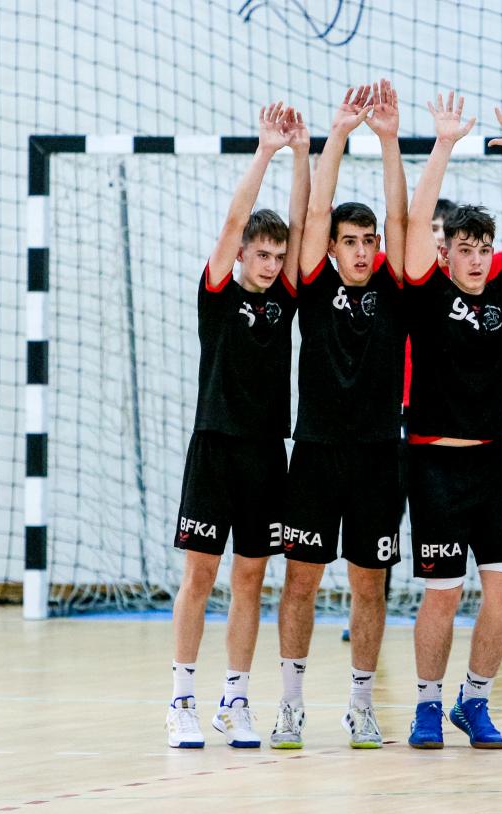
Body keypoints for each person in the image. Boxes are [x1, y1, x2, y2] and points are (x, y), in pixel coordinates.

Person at [401, 93, 502, 750]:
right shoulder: (426, 294)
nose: (479, 258)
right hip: (433, 461)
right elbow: (413, 220)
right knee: (442, 594)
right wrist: (443, 144)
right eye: (467, 249)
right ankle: (427, 705)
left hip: (493, 462)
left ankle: (475, 698)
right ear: (448, 254)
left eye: (485, 248)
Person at [166, 102, 310, 750]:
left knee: (251, 577)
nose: (271, 263)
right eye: (262, 253)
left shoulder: (285, 298)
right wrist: (266, 151)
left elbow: (304, 222)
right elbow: (233, 221)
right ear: (243, 253)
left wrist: (302, 155)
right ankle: (181, 699)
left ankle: (236, 698)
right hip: (214, 449)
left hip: (265, 455)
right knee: (200, 575)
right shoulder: (218, 294)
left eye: (278, 255)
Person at [270, 81, 409, 750]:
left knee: (369, 587)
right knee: (300, 581)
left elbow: (402, 216)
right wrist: (338, 133)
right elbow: (314, 208)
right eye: (349, 241)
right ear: (331, 247)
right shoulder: (314, 280)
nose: (359, 250)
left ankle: (361, 704)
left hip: (380, 454)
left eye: (367, 241)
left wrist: (388, 139)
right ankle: (290, 704)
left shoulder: (395, 285)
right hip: (316, 454)